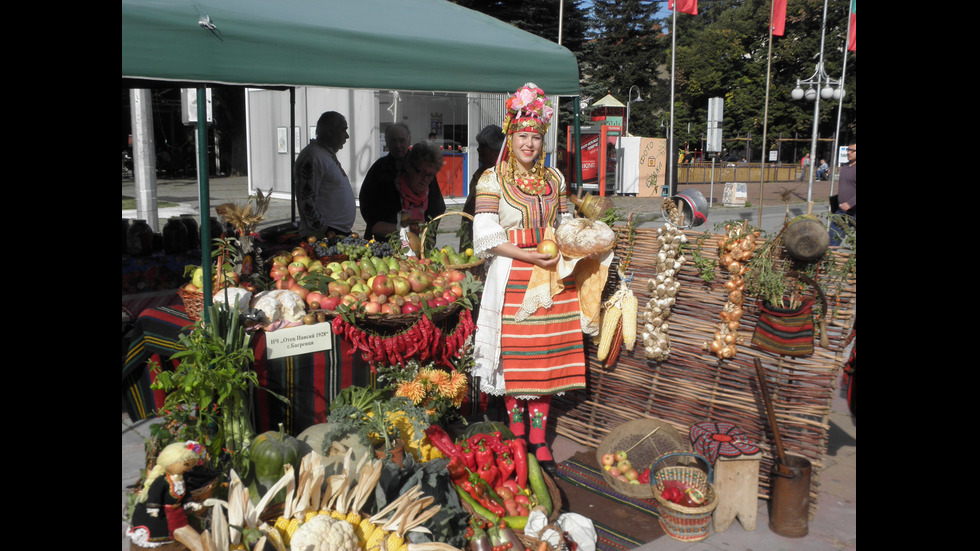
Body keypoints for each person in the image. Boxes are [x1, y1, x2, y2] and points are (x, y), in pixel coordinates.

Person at [471, 83, 598, 475]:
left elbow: (563, 223)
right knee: (516, 359)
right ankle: (517, 434)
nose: (529, 144)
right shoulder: (493, 179)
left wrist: (583, 242)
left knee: (545, 359)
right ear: (511, 137)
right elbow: (486, 233)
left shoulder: (554, 178)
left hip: (552, 275)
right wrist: (526, 254)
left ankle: (539, 438)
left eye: (535, 137)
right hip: (513, 273)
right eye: (523, 136)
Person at [359, 141, 446, 242]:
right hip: (383, 249)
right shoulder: (389, 187)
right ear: (409, 167)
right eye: (421, 172)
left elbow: (432, 229)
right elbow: (375, 227)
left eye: (430, 175)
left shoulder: (431, 192)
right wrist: (408, 230)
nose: (425, 179)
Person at [127, 441, 207, 551]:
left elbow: (186, 493)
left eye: (191, 465)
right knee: (159, 530)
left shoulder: (180, 480)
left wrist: (190, 502)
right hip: (164, 515)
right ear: (171, 461)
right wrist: (154, 509)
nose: (188, 468)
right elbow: (154, 495)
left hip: (177, 513)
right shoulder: (162, 481)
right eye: (186, 464)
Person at [295, 111, 356, 238]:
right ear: (330, 131)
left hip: (335, 231)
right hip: (325, 234)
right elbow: (306, 199)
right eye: (343, 130)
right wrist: (323, 230)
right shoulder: (312, 156)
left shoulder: (324, 154)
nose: (347, 136)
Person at [358, 123, 412, 237]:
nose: (398, 145)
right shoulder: (379, 168)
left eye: (401, 140)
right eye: (393, 141)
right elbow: (365, 199)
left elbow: (436, 206)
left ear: (409, 141)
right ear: (387, 143)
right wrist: (374, 224)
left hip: (414, 237)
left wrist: (427, 232)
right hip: (382, 236)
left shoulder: (420, 167)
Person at [460, 124, 505, 249]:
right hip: (471, 239)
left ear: (497, 152)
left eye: (483, 147)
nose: (478, 150)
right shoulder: (479, 174)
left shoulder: (504, 177)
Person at [830, 143, 856, 246]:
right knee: (834, 236)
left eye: (852, 151)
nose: (848, 152)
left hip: (854, 209)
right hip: (842, 210)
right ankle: (829, 260)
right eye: (848, 150)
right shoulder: (845, 167)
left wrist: (850, 203)